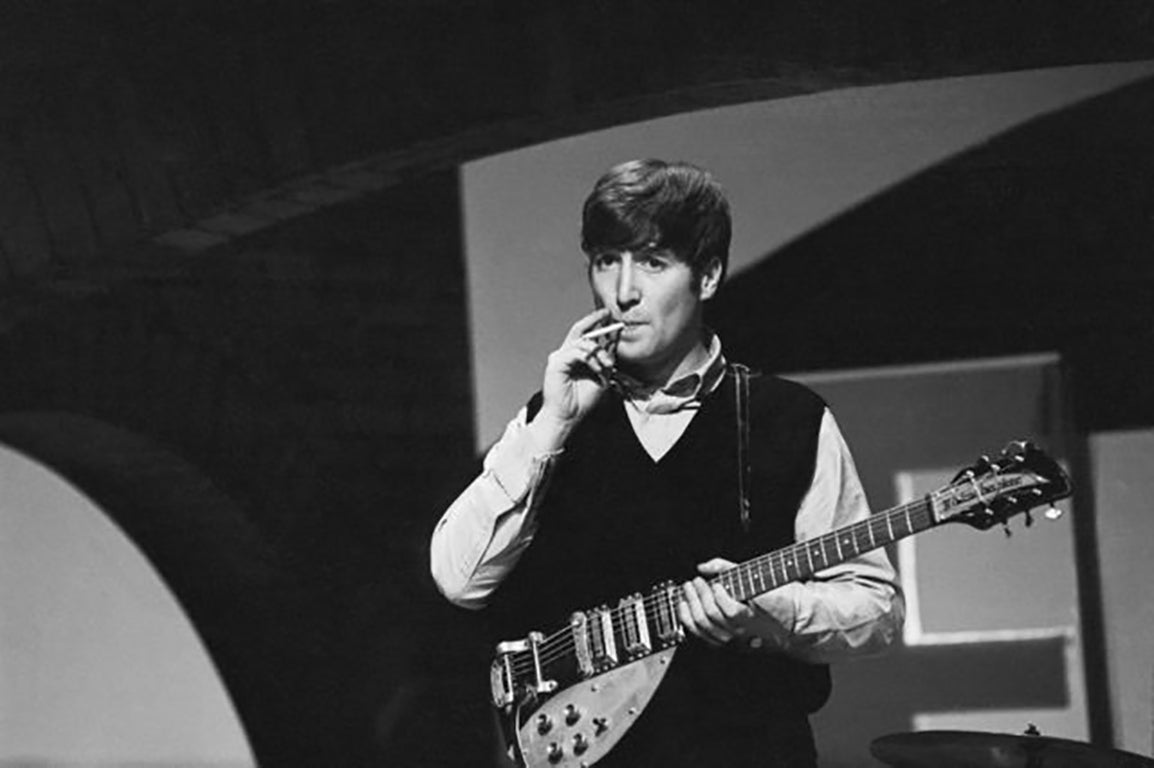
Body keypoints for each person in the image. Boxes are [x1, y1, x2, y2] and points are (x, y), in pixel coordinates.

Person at [430, 159, 904, 767]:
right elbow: (460, 580)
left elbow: (875, 607)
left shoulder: (788, 418)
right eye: (607, 260)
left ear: (706, 276)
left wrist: (774, 617)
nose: (623, 291)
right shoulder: (554, 417)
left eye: (652, 262)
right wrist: (553, 422)